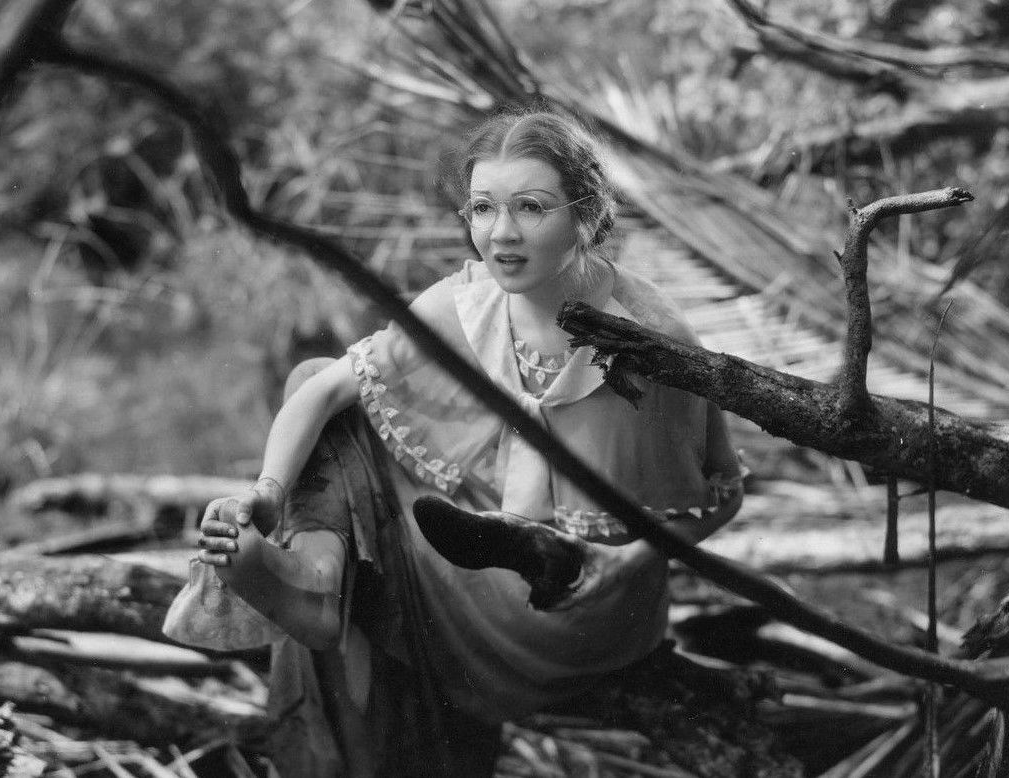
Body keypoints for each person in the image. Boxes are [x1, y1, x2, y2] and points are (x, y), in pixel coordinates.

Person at [185, 108, 746, 778]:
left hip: (584, 602)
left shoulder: (651, 336)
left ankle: (328, 584)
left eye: (531, 207)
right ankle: (315, 573)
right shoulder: (470, 304)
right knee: (320, 381)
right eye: (483, 208)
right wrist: (268, 496)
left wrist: (622, 564)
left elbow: (723, 494)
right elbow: (321, 393)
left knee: (326, 392)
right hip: (488, 577)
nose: (501, 233)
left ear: (589, 215)